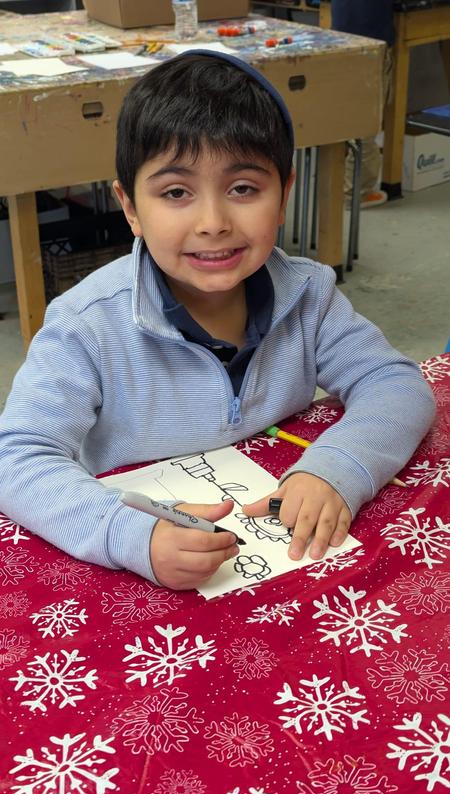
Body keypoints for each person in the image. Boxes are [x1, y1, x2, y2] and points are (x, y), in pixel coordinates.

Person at [0, 52, 435, 591]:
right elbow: (17, 458)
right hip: (139, 570)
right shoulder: (85, 325)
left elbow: (394, 383)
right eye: (176, 193)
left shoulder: (308, 295)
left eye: (243, 188)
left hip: (277, 563)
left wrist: (338, 466)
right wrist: (127, 533)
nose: (213, 223)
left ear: (284, 195)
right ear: (130, 207)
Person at [331, 0, 395, 208]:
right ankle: (357, 193)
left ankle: (339, 181)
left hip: (342, 37)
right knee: (366, 123)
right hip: (371, 41)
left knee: (346, 114)